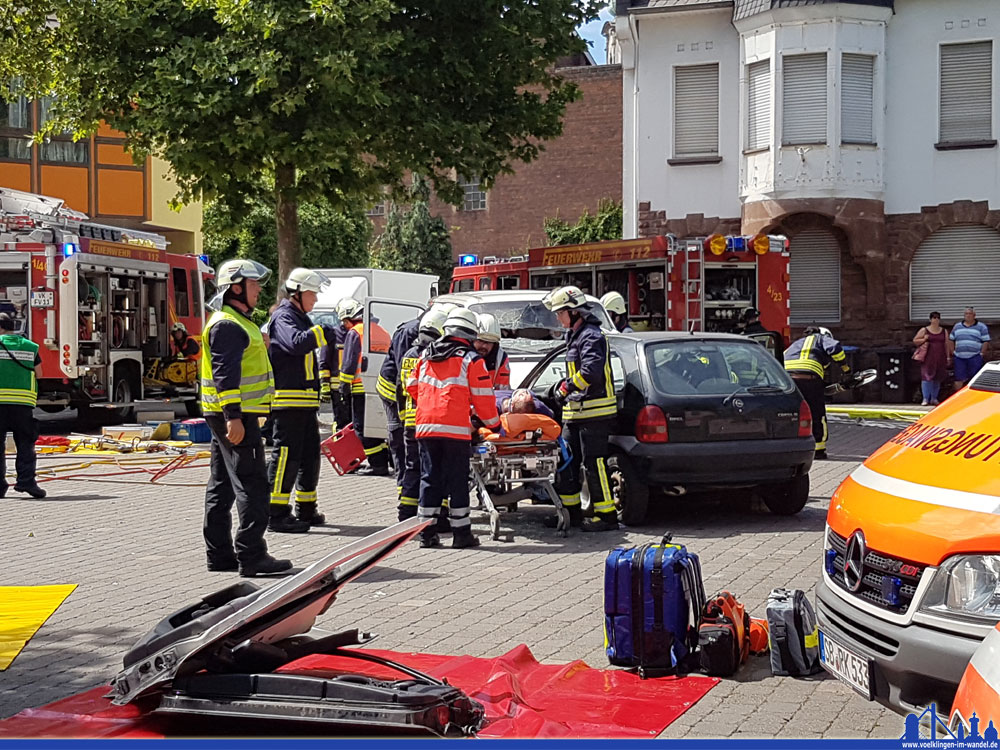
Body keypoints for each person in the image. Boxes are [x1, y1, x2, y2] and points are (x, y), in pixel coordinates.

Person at [200, 259, 292, 577]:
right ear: (236, 287)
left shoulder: (236, 321)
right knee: (253, 485)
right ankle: (252, 555)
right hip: (236, 417)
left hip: (226, 415)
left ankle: (220, 555)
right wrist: (234, 417)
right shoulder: (228, 324)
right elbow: (226, 375)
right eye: (254, 285)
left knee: (222, 485)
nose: (259, 290)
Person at [407, 307, 501, 549]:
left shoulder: (427, 353)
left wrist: (431, 404)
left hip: (426, 427)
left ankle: (426, 534)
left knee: (430, 478)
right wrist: (494, 424)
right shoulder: (471, 359)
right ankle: (461, 534)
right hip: (455, 430)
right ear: (470, 334)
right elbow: (483, 397)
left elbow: (411, 385)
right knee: (457, 480)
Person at [266, 268, 338, 534]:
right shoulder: (284, 317)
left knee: (309, 459)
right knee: (286, 457)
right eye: (313, 294)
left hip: (306, 403)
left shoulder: (300, 317)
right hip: (289, 403)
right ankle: (277, 513)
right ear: (297, 292)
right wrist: (321, 333)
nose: (316, 300)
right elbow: (295, 344)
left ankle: (306, 508)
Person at [543, 285, 619, 532]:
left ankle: (606, 516)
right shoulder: (574, 335)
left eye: (560, 312)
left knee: (594, 463)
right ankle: (570, 513)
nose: (557, 317)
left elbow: (591, 372)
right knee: (567, 463)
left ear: (574, 311)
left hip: (595, 412)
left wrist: (565, 388)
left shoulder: (591, 336)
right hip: (575, 413)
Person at [396, 305, 449, 522]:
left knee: (412, 467)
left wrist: (402, 416)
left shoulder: (409, 354)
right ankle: (439, 513)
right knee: (435, 468)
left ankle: (406, 512)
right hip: (429, 421)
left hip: (410, 421)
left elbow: (402, 387)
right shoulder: (434, 355)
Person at [337, 298, 391, 475]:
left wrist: (343, 385)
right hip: (381, 387)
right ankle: (384, 460)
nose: (344, 326)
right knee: (378, 428)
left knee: (363, 429)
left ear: (349, 318)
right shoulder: (382, 332)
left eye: (344, 322)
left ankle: (378, 465)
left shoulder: (355, 332)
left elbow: (349, 362)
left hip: (360, 388)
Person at [784, 326, 852, 460]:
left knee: (793, 413)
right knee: (817, 413)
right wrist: (845, 369)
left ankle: (791, 448)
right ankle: (819, 449)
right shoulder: (821, 338)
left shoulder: (796, 344)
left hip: (788, 380)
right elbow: (835, 348)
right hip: (809, 378)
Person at [0, 312, 45, 499]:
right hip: (23, 404)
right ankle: (26, 482)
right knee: (26, 444)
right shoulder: (30, 347)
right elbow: (40, 374)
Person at [377, 313, 424, 490]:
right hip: (392, 391)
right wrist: (405, 416)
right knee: (399, 437)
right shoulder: (408, 332)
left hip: (407, 389)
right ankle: (403, 487)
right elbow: (401, 374)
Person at [913, 311, 949, 406]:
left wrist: (948, 356)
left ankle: (934, 398)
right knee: (926, 377)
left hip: (940, 356)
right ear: (930, 319)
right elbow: (915, 341)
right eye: (934, 318)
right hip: (928, 356)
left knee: (937, 377)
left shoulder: (944, 331)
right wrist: (924, 339)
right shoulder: (924, 330)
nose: (936, 320)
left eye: (937, 318)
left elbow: (947, 344)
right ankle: (925, 398)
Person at [949, 307, 990, 389]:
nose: (968, 316)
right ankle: (958, 399)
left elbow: (986, 341)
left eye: (970, 314)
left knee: (975, 378)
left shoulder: (982, 327)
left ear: (974, 315)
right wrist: (953, 352)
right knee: (958, 378)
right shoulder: (957, 326)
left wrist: (981, 353)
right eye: (966, 314)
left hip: (975, 356)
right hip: (959, 357)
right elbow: (951, 339)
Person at [473, 312, 510, 388]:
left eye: (490, 342)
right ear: (472, 340)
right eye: (481, 341)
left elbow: (502, 391)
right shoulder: (462, 357)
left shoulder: (500, 358)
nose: (484, 346)